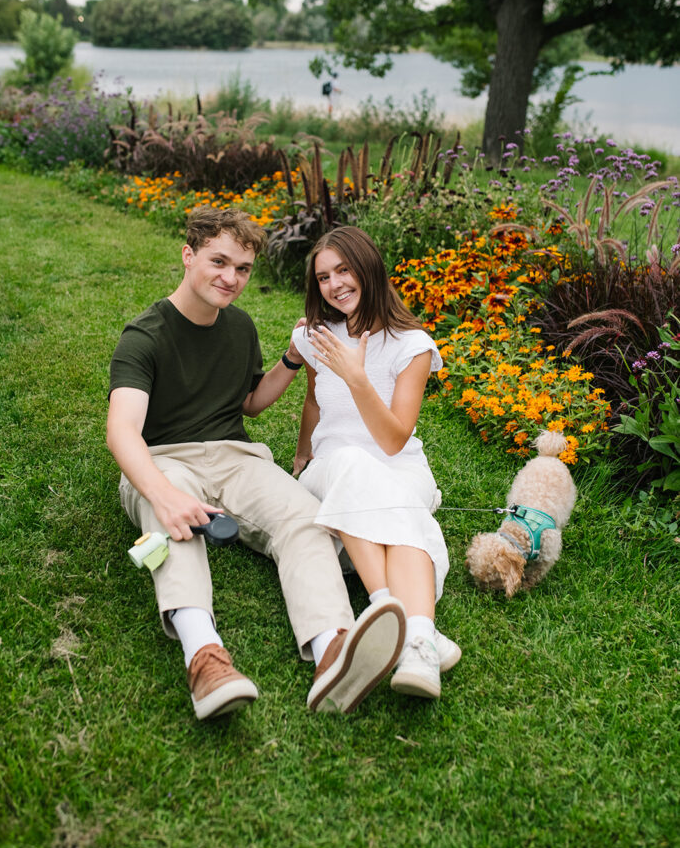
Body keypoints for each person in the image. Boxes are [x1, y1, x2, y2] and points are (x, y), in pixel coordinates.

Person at [106, 206, 407, 721]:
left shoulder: (240, 326)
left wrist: (291, 361)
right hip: (164, 458)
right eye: (218, 262)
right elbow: (122, 431)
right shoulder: (145, 335)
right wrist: (163, 493)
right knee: (174, 528)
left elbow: (248, 403)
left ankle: (331, 649)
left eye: (242, 269)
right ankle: (204, 656)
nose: (231, 278)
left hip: (236, 457)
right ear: (188, 255)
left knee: (305, 521)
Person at [292, 226, 462, 700]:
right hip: (331, 470)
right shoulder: (315, 336)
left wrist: (357, 378)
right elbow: (312, 400)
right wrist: (303, 454)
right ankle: (407, 626)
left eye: (343, 270)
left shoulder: (413, 346)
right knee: (349, 461)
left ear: (367, 267)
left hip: (397, 466)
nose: (334, 284)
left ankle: (412, 640)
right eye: (323, 276)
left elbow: (393, 440)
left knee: (395, 498)